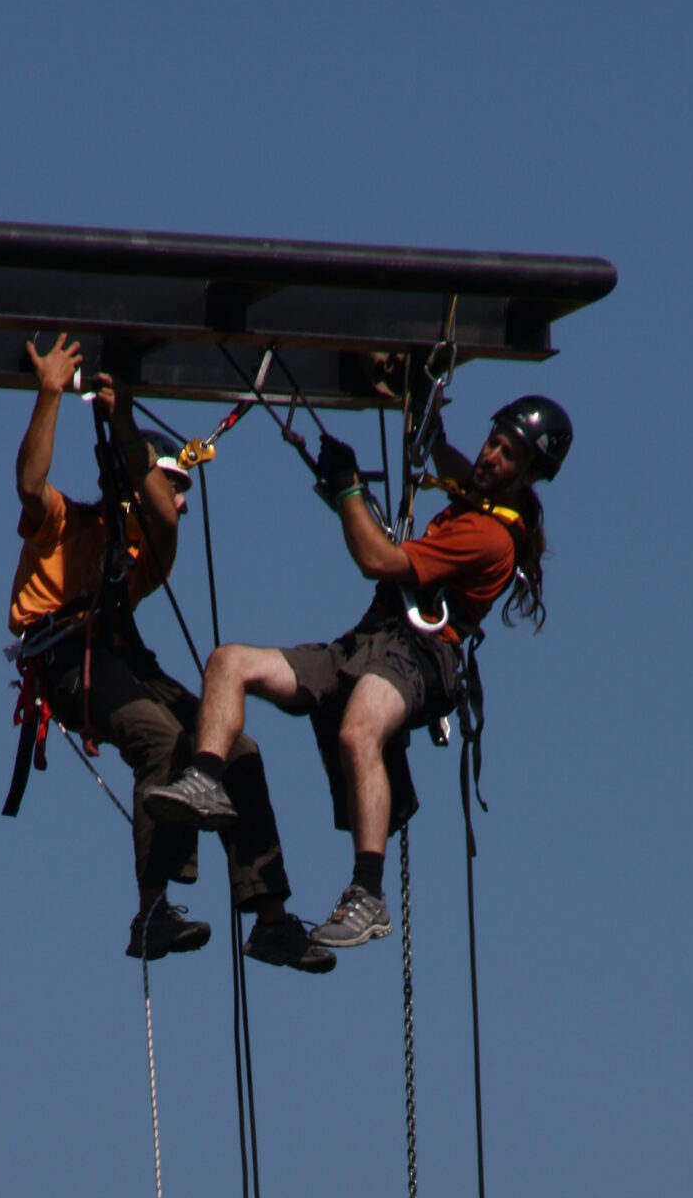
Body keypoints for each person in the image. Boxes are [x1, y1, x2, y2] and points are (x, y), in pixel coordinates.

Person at [140, 394, 572, 947]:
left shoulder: (489, 536)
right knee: (229, 663)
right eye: (493, 442)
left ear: (529, 473)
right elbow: (459, 468)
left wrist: (347, 490)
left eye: (508, 454)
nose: (490, 456)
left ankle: (368, 892)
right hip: (367, 642)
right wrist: (433, 434)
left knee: (358, 731)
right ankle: (204, 779)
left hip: (420, 656)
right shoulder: (483, 494)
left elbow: (377, 559)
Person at [6, 332, 334, 972]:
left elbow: (163, 516)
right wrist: (50, 394)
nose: (181, 499)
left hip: (125, 660)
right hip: (69, 660)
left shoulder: (149, 549)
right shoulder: (66, 526)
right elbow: (29, 482)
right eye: (171, 484)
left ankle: (270, 919)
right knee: (160, 740)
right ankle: (151, 911)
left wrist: (126, 431)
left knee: (236, 749)